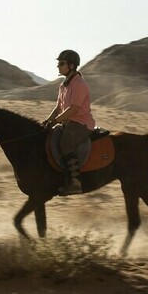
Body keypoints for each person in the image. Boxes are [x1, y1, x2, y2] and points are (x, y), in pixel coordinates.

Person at [42, 50, 96, 195]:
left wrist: (55, 121)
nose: (58, 66)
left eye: (61, 63)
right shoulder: (63, 85)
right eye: (58, 63)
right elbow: (59, 107)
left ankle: (75, 182)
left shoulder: (79, 84)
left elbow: (73, 109)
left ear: (71, 66)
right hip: (68, 122)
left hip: (81, 123)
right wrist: (48, 120)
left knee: (65, 143)